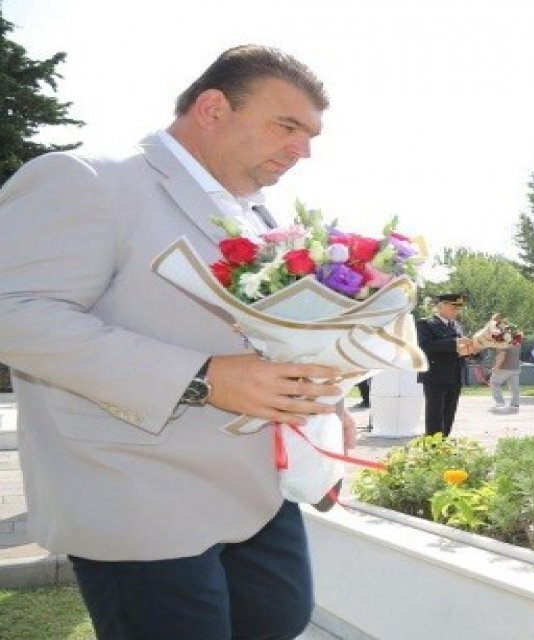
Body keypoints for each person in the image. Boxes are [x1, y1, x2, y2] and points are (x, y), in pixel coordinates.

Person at [0, 45, 346, 638]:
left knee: (278, 621)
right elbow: (14, 313)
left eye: (310, 135)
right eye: (287, 125)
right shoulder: (86, 179)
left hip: (257, 489)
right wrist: (204, 376)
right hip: (134, 492)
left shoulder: (261, 218)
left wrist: (321, 401)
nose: (302, 149)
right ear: (212, 108)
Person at [417, 293, 475, 436]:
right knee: (435, 413)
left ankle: (444, 443)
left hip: (455, 375)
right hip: (435, 375)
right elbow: (425, 346)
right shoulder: (426, 324)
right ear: (440, 306)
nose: (456, 311)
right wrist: (455, 343)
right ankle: (433, 446)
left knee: (449, 413)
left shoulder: (457, 325)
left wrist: (473, 349)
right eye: (453, 307)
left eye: (458, 308)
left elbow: (462, 348)